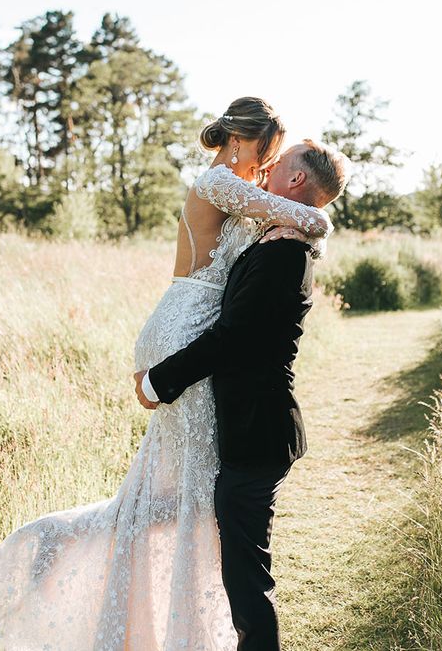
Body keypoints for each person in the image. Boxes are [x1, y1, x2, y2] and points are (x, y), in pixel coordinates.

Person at [0, 97, 335, 650]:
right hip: (188, 323)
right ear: (242, 140)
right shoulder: (218, 181)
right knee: (193, 494)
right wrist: (320, 219)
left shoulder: (240, 190)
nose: (268, 165)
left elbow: (283, 221)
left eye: (277, 158)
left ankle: (162, 617)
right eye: (266, 151)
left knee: (187, 492)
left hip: (189, 322)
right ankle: (163, 617)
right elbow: (306, 214)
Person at [135, 139, 350, 650]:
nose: (271, 165)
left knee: (247, 572)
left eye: (283, 161)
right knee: (236, 559)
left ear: (297, 181)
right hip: (250, 425)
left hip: (259, 430)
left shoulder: (286, 254)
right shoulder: (277, 238)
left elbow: (230, 338)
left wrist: (156, 383)